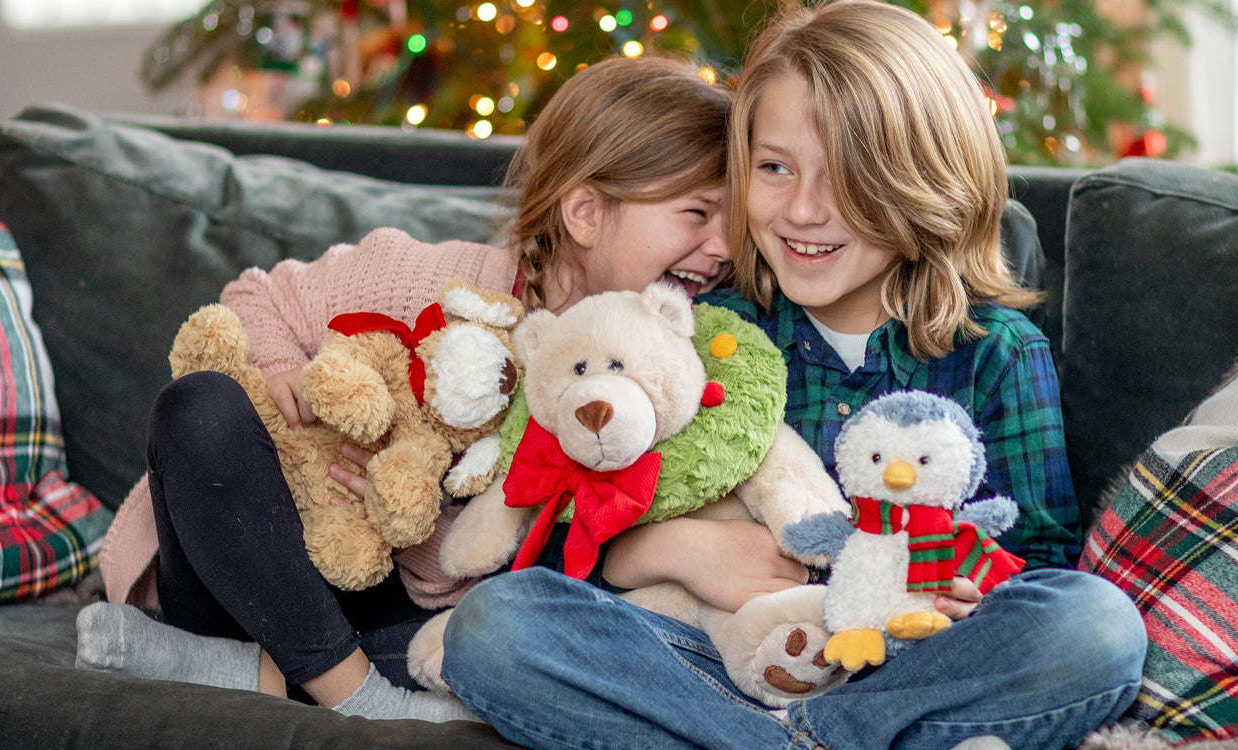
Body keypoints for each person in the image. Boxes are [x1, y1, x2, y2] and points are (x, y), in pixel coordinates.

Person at [439, 2, 1148, 748]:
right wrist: (663, 550)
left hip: (905, 674)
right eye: (775, 168)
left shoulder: (997, 352)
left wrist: (968, 586)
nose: (805, 210)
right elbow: (568, 520)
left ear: (925, 177)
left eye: (846, 177)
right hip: (714, 665)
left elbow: (1037, 567)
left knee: (1095, 625)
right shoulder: (711, 327)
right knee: (498, 626)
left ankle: (811, 737)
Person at [74, 54, 734, 723]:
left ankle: (255, 675)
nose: (723, 246)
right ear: (586, 213)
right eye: (699, 213)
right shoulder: (436, 278)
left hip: (399, 620)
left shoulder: (665, 372)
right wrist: (288, 388)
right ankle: (356, 698)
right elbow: (255, 297)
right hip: (246, 579)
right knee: (200, 409)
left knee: (500, 631)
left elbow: (531, 570)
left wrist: (417, 524)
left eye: (732, 222)